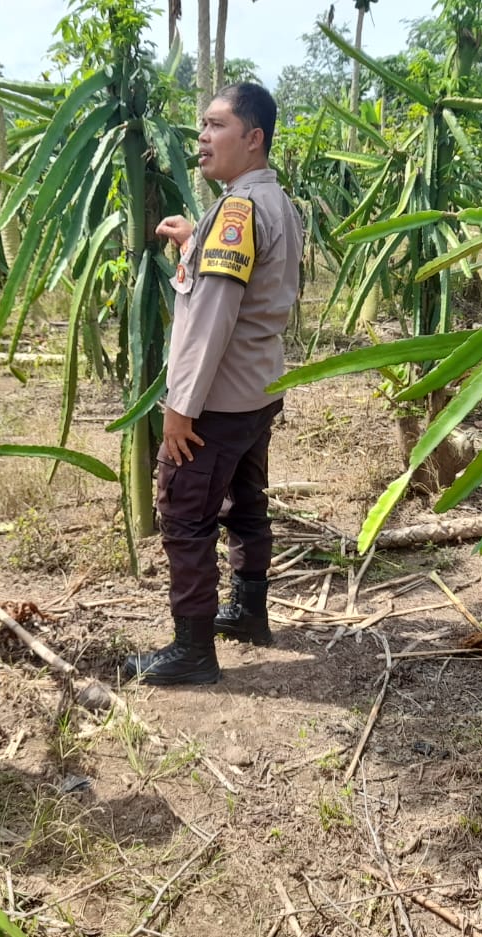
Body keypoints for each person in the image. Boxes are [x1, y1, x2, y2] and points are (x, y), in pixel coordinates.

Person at [123, 83, 303, 685]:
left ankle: (193, 650)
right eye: (202, 125)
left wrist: (179, 408)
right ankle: (250, 613)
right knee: (246, 504)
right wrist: (191, 242)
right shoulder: (273, 202)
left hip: (217, 401)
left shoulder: (237, 211)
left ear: (253, 139)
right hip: (258, 391)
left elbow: (213, 314)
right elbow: (250, 282)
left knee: (185, 515)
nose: (202, 136)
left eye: (216, 125)